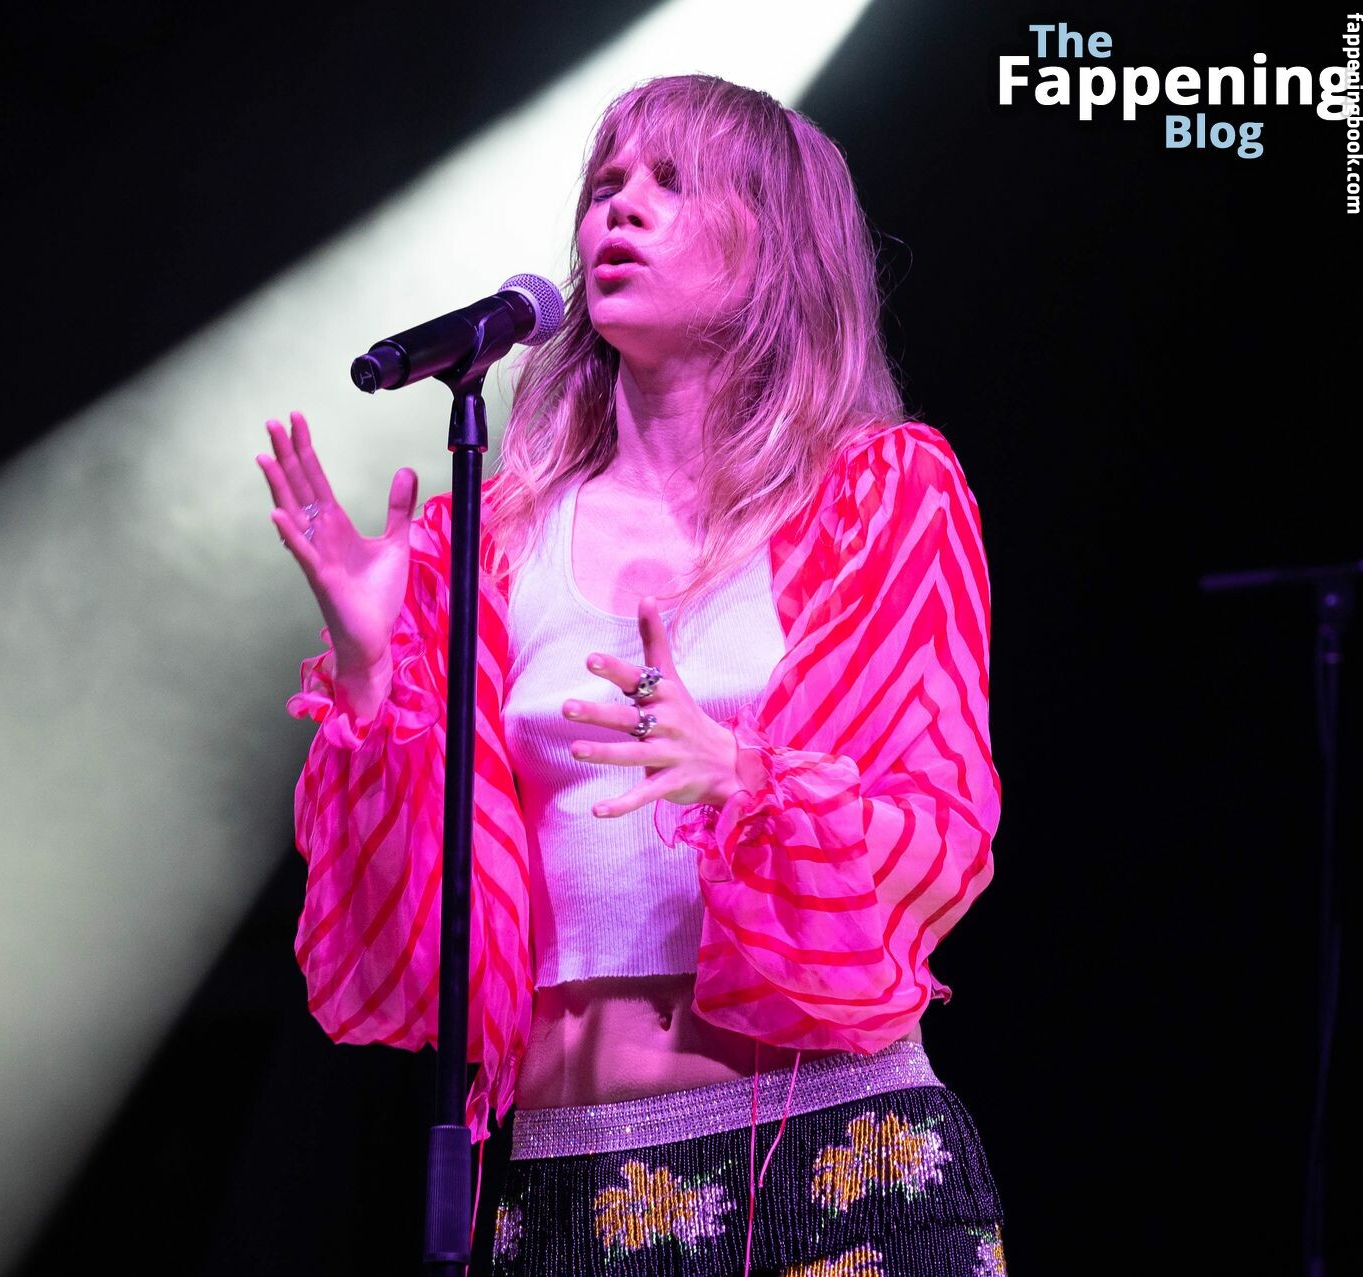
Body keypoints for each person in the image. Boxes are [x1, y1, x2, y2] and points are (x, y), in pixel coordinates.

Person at [257, 75, 1005, 1276]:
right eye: (605, 184)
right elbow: (399, 950)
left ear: (780, 244)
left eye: (672, 181)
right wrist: (363, 666)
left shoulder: (876, 497)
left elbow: (940, 838)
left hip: (831, 1157)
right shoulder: (495, 541)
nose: (622, 208)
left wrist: (746, 774)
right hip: (565, 1183)